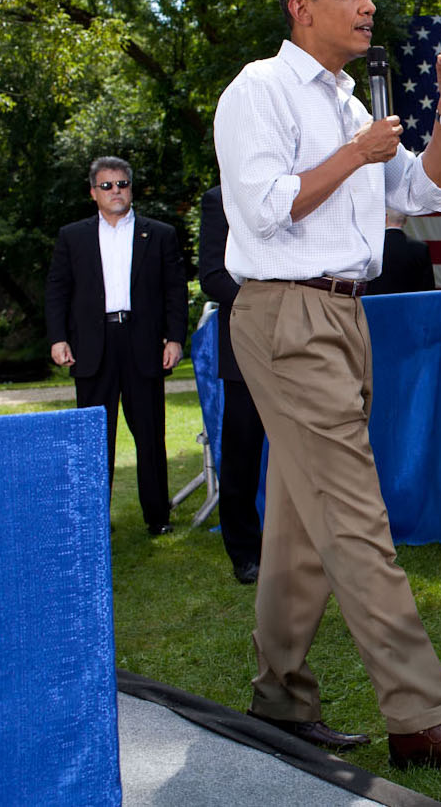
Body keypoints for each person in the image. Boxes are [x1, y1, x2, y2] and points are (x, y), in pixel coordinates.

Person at [212, 0, 441, 774]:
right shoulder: (259, 91)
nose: (368, 5)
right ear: (300, 8)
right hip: (285, 313)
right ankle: (420, 717)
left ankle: (279, 701)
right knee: (354, 516)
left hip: (346, 315)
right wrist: (355, 153)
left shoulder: (351, 101)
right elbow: (265, 207)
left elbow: (422, 192)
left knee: (305, 525)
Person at [45, 156, 187, 536]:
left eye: (122, 184)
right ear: (93, 193)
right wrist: (58, 338)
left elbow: (175, 291)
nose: (116, 192)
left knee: (150, 434)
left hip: (143, 343)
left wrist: (175, 338)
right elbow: (57, 291)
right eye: (106, 186)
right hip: (93, 345)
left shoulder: (158, 234)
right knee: (93, 436)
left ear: (131, 188)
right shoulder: (72, 237)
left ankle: (158, 517)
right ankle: (92, 519)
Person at [197, 186, 264, 583]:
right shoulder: (218, 198)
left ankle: (309, 544)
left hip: (300, 337)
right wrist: (267, 306)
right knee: (242, 452)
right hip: (244, 342)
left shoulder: (301, 186)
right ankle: (244, 553)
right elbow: (212, 276)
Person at [366, 209, 435, 295]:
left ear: (385, 218)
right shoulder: (420, 248)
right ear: (405, 221)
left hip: (375, 305)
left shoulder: (371, 247)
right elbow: (428, 287)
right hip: (410, 305)